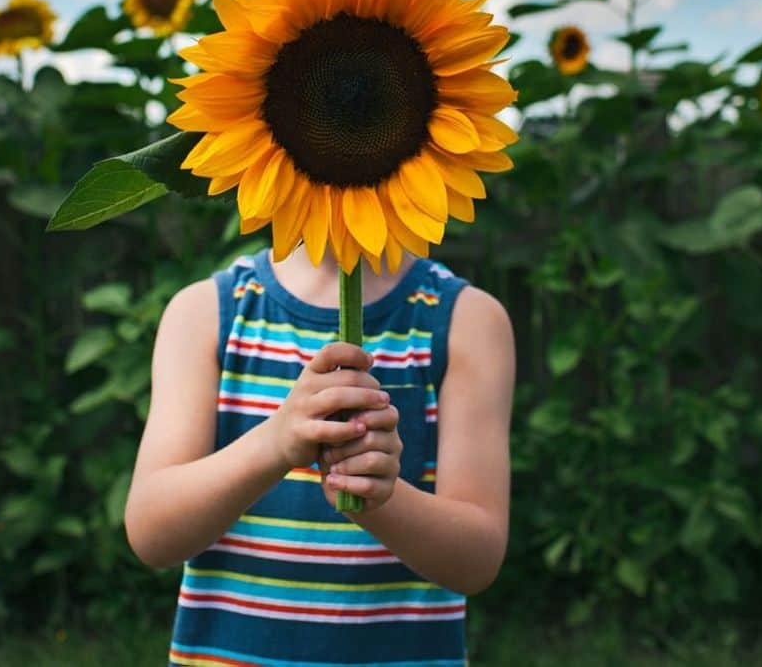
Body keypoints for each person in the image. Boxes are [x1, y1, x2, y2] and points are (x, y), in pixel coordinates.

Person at [124, 238, 515, 667]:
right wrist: (273, 444)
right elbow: (152, 532)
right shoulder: (205, 315)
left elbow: (477, 560)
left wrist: (376, 496)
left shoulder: (465, 322)